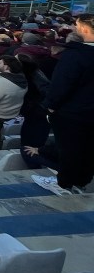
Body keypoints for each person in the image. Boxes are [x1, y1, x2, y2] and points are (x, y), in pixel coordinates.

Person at [33, 13, 94, 195]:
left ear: (83, 28)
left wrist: (50, 105)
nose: (74, 28)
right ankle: (81, 181)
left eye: (76, 25)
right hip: (87, 112)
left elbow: (62, 84)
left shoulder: (75, 54)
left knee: (69, 148)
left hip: (72, 113)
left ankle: (64, 184)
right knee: (89, 148)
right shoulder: (77, 53)